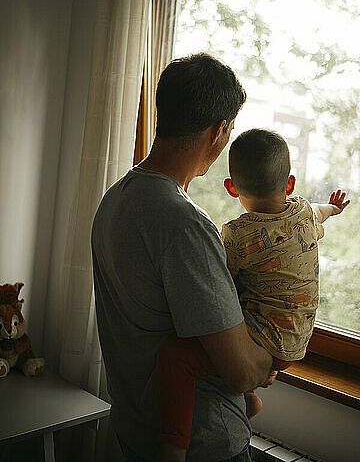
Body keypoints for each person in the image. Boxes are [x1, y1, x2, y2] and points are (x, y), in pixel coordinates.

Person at [91, 54, 275, 462]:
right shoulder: (184, 223)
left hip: (136, 432)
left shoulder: (114, 200)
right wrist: (272, 358)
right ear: (218, 132)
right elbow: (241, 371)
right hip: (202, 446)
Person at [157, 128, 350, 461]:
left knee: (176, 356)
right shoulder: (303, 212)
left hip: (263, 342)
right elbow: (320, 212)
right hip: (297, 342)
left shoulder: (235, 234)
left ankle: (172, 446)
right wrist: (333, 209)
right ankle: (249, 397)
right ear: (290, 184)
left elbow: (218, 290)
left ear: (231, 188)